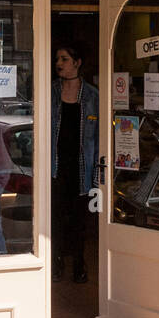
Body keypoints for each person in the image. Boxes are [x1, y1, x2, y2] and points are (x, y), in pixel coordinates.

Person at [51, 44, 100, 283]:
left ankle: (79, 264)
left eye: (64, 58)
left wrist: (99, 173)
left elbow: (100, 137)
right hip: (56, 165)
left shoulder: (92, 96)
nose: (59, 63)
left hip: (82, 166)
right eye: (57, 59)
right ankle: (57, 262)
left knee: (79, 219)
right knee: (56, 217)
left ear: (77, 62)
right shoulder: (50, 92)